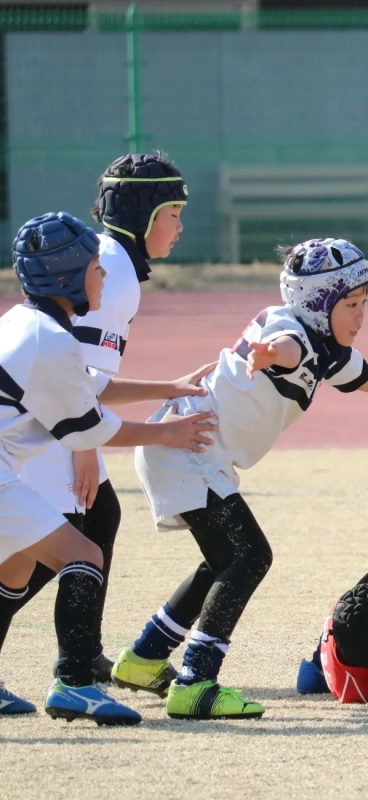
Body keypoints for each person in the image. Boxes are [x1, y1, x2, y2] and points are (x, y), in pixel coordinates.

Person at [108, 238, 368, 720]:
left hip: (188, 450)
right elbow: (284, 348)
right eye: (350, 304)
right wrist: (269, 354)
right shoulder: (293, 332)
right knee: (250, 557)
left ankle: (143, 658)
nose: (360, 315)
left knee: (222, 561)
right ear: (317, 303)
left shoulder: (326, 348)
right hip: (188, 449)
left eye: (364, 302)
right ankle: (196, 680)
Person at [0, 212, 213, 723]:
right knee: (85, 554)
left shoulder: (27, 324)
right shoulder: (50, 340)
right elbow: (92, 428)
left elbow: (87, 387)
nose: (104, 277)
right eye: (97, 268)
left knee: (16, 565)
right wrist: (167, 433)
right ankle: (73, 683)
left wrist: (168, 388)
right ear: (68, 277)